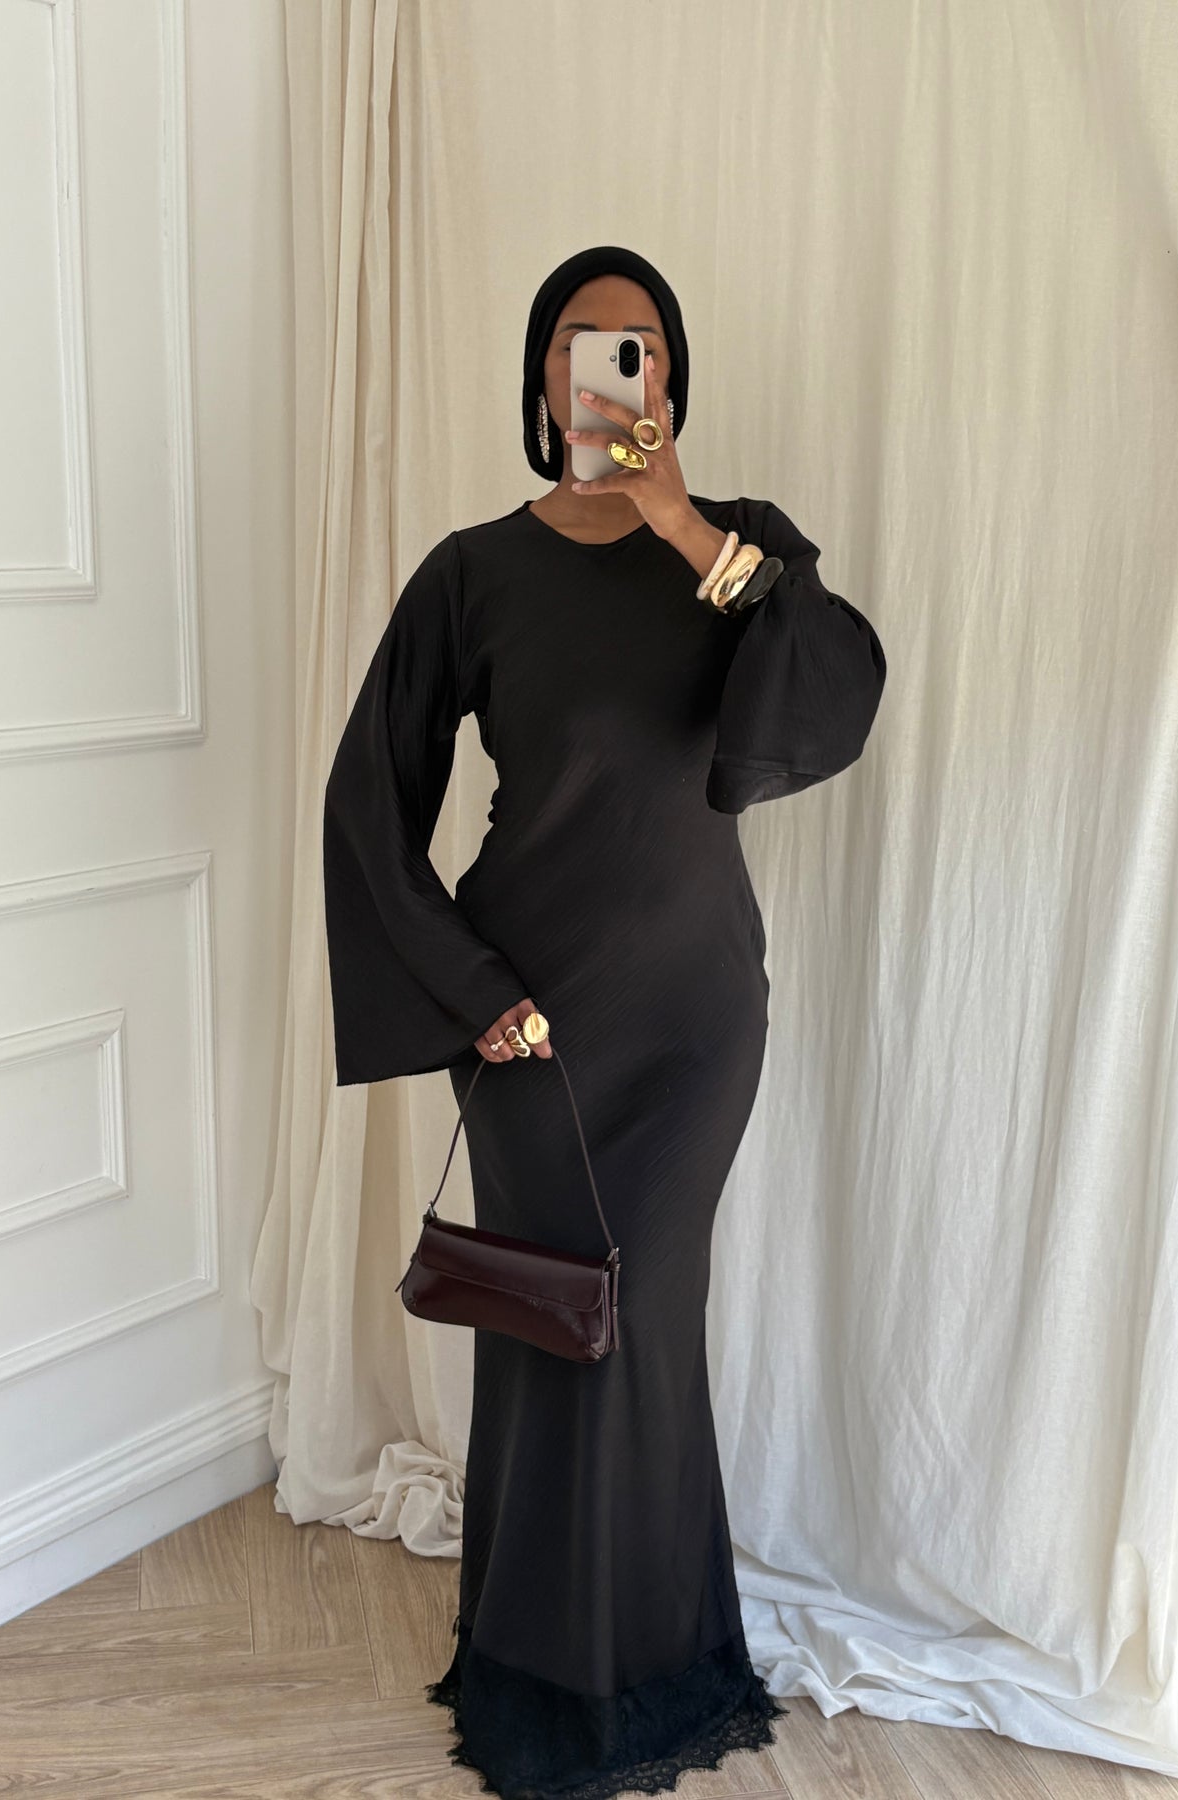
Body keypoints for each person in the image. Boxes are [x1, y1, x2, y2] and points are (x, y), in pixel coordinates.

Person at [322, 244, 887, 1800]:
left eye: (638, 346)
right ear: (541, 374)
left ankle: (657, 1660)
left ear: (670, 379)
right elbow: (369, 806)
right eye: (584, 342)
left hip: (693, 1022)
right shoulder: (471, 573)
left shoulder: (741, 547)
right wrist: (471, 992)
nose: (610, 368)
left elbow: (828, 695)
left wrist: (679, 521)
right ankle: (535, 1668)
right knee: (554, 1331)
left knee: (641, 1326)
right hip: (529, 1022)